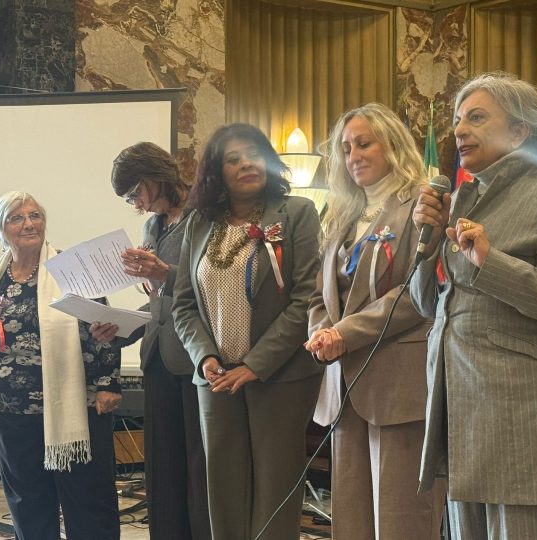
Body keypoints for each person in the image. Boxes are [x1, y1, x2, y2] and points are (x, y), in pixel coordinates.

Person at [410, 72, 537, 538]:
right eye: (457, 120)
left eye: (476, 118)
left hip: (520, 424)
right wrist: (426, 245)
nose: (459, 130)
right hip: (461, 416)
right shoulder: (461, 199)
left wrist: (491, 262)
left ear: (518, 130)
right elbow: (426, 304)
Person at [172, 123, 323, 539]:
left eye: (254, 154)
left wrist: (255, 364)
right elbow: (184, 304)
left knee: (276, 487)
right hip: (216, 378)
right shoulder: (199, 223)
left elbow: (306, 299)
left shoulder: (297, 213)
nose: (246, 164)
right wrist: (204, 357)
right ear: (216, 172)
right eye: (233, 159)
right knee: (223, 488)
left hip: (280, 374)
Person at [305, 102, 445, 539]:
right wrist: (321, 335)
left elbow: (418, 293)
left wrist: (343, 334)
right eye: (346, 149)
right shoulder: (341, 214)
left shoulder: (421, 205)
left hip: (399, 383)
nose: (354, 156)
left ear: (392, 144)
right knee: (352, 518)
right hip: (344, 384)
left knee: (402, 517)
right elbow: (318, 295)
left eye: (364, 144)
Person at [0, 191, 121, 540]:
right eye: (17, 218)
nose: (29, 224)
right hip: (13, 411)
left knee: (88, 502)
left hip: (74, 407)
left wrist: (108, 383)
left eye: (35, 216)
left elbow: (103, 327)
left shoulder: (70, 269)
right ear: (1, 230)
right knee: (27, 502)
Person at [91, 142, 211, 539]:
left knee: (197, 468)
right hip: (157, 356)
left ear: (157, 175)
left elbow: (214, 288)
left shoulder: (205, 216)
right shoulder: (152, 227)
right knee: (162, 470)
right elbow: (160, 304)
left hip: (196, 358)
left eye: (136, 193)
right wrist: (120, 328)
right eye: (130, 199)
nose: (137, 205)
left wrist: (165, 274)